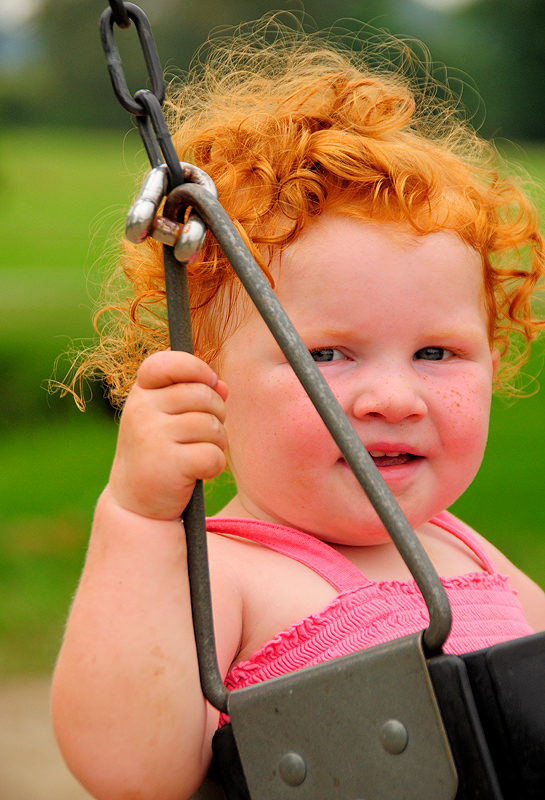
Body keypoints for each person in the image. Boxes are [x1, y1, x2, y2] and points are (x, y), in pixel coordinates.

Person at [51, 17, 545, 800]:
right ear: (208, 380)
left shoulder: (467, 555)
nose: (392, 398)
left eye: (435, 353)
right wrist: (139, 520)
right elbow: (129, 771)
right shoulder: (227, 575)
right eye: (325, 356)